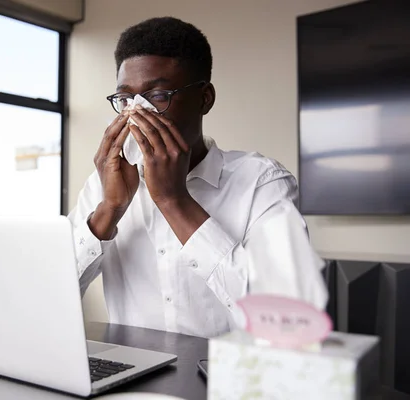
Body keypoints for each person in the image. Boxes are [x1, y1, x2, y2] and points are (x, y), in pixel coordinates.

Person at [69, 17, 322, 338]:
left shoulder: (261, 182)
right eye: (125, 99)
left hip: (228, 377)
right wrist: (108, 210)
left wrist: (175, 202)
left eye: (158, 95)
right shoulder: (106, 184)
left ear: (205, 98)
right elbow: (53, 297)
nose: (137, 112)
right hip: (131, 377)